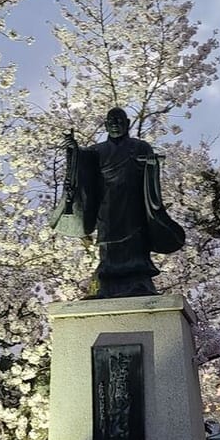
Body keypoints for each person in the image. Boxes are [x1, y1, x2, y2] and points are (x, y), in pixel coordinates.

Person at [51, 107, 185, 298]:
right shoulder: (97, 151)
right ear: (105, 125)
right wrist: (73, 150)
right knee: (108, 246)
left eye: (119, 121)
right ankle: (107, 286)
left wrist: (151, 165)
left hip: (133, 204)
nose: (115, 125)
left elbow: (149, 170)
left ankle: (139, 282)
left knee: (135, 244)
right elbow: (82, 164)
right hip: (107, 206)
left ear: (128, 123)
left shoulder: (140, 146)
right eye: (111, 122)